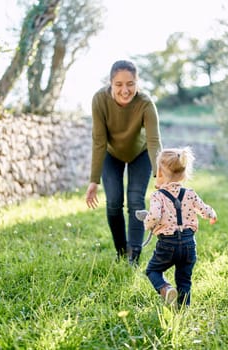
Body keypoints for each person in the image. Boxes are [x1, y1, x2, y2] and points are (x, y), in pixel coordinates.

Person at [85, 60, 162, 265]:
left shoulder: (145, 103)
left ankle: (134, 255)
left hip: (140, 153)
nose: (125, 90)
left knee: (136, 201)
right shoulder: (99, 100)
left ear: (137, 83)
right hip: (112, 154)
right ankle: (121, 252)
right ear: (111, 83)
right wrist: (94, 181)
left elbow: (154, 142)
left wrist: (160, 176)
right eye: (119, 84)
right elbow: (99, 142)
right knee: (113, 203)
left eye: (130, 83)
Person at [138, 147, 217, 307]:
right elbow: (204, 209)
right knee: (184, 280)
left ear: (159, 173)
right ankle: (183, 311)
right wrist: (212, 214)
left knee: (152, 271)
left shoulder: (158, 196)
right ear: (184, 173)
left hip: (168, 244)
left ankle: (166, 289)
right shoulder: (190, 193)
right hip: (188, 245)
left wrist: (147, 224)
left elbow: (154, 216)